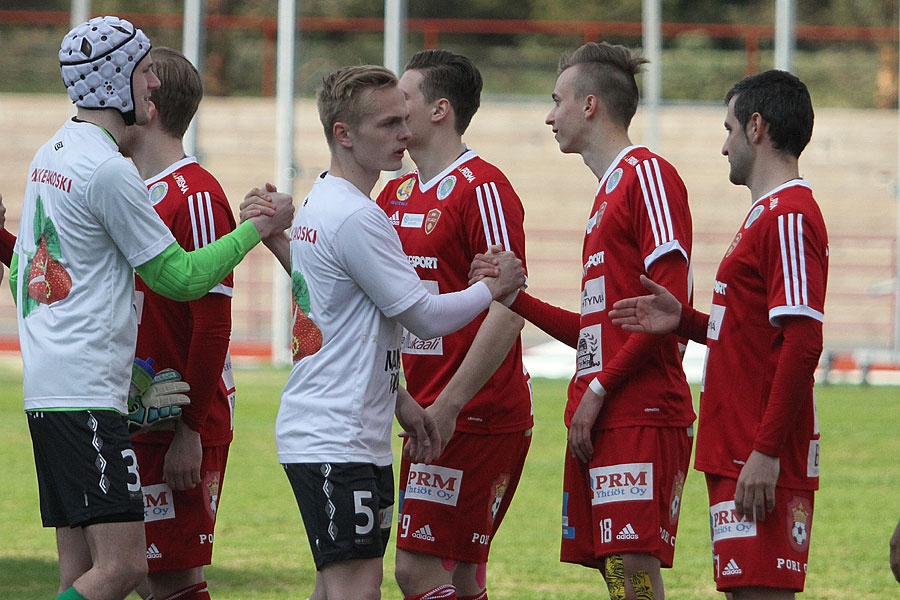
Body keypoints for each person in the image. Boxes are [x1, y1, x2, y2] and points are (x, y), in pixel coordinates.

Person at [12, 16, 291, 600]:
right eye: (141, 73)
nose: (148, 87)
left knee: (81, 575)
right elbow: (180, 277)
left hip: (50, 390)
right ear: (118, 81)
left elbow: (34, 275)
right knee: (123, 570)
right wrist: (254, 230)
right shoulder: (109, 171)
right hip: (88, 393)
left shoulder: (52, 153)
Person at [242, 65, 525, 600]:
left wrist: (406, 404)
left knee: (341, 585)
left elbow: (344, 316)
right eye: (388, 123)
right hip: (336, 432)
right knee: (363, 585)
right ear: (344, 134)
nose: (403, 133)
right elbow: (423, 316)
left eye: (404, 117)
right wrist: (493, 287)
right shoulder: (357, 215)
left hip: (356, 428)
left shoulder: (336, 204)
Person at [472, 42, 695, 600]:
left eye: (556, 101)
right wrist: (513, 296)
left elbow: (665, 308)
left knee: (631, 564)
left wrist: (600, 387)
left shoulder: (647, 175)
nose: (549, 116)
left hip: (642, 408)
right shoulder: (605, 194)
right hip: (605, 408)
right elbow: (598, 333)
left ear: (590, 105)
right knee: (615, 569)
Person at [609, 70, 827, 599]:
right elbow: (752, 335)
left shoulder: (790, 216)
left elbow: (802, 342)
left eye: (729, 128)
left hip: (759, 452)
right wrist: (682, 319)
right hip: (735, 448)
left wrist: (767, 451)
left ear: (756, 127)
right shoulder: (764, 216)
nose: (723, 145)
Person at [370, 49, 532, 600]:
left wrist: (451, 404)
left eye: (404, 100)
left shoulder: (482, 188)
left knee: (415, 570)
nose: (394, 110)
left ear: (440, 110)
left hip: (474, 413)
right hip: (423, 411)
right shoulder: (393, 193)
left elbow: (510, 307)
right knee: (460, 576)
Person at [117, 46, 236, 600]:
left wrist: (191, 430)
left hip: (177, 424)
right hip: (129, 414)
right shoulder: (124, 189)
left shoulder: (197, 194)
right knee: (129, 572)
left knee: (169, 578)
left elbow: (213, 326)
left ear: (150, 104)